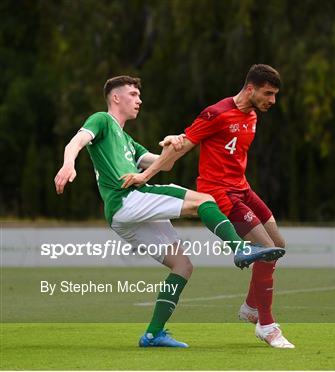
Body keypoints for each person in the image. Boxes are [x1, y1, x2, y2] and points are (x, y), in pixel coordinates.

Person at [53, 75, 285, 348]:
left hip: (122, 217)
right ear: (115, 98)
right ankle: (239, 248)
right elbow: (76, 141)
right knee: (204, 201)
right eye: (132, 94)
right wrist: (69, 164)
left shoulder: (128, 140)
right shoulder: (102, 121)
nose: (138, 100)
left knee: (182, 266)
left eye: (139, 95)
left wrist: (171, 144)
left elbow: (162, 164)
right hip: (127, 199)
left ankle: (153, 334)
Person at [120, 65, 295, 348]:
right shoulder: (217, 113)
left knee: (278, 244)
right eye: (269, 93)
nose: (273, 101)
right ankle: (267, 325)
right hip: (220, 194)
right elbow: (183, 145)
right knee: (265, 250)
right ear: (250, 88)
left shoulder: (252, 115)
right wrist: (144, 176)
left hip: (243, 189)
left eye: (275, 95)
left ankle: (251, 307)